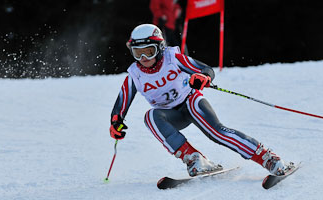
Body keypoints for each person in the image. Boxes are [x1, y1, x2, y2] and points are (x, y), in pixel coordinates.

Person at [110, 24, 287, 177]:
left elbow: (206, 69)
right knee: (150, 117)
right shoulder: (135, 75)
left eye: (149, 52)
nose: (144, 59)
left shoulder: (173, 59)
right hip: (171, 116)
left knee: (217, 133)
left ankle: (266, 157)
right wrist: (115, 123)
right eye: (137, 53)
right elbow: (121, 104)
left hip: (191, 102)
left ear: (160, 48)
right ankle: (194, 158)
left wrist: (203, 77)